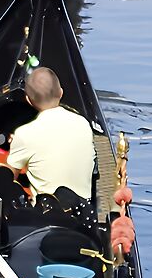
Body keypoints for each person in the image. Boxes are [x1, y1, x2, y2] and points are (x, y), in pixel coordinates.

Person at [5, 67, 95, 202]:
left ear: (28, 100)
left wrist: (17, 145)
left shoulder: (25, 134)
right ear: (61, 93)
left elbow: (8, 179)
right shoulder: (83, 124)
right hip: (84, 211)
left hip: (46, 215)